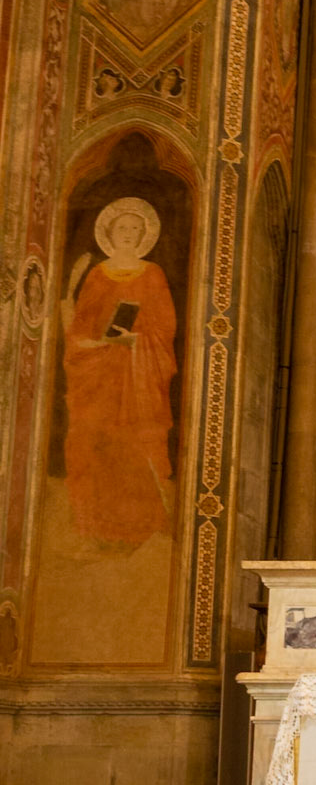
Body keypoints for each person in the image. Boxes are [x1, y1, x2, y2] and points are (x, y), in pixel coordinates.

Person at [61, 197, 178, 544]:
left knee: (135, 444)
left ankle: (139, 526)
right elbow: (82, 325)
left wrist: (137, 339)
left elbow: (165, 327)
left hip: (139, 375)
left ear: (144, 234)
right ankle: (93, 526)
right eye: (123, 228)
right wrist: (93, 341)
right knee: (94, 442)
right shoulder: (97, 274)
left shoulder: (153, 274)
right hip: (99, 375)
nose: (128, 234)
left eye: (135, 229)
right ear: (110, 232)